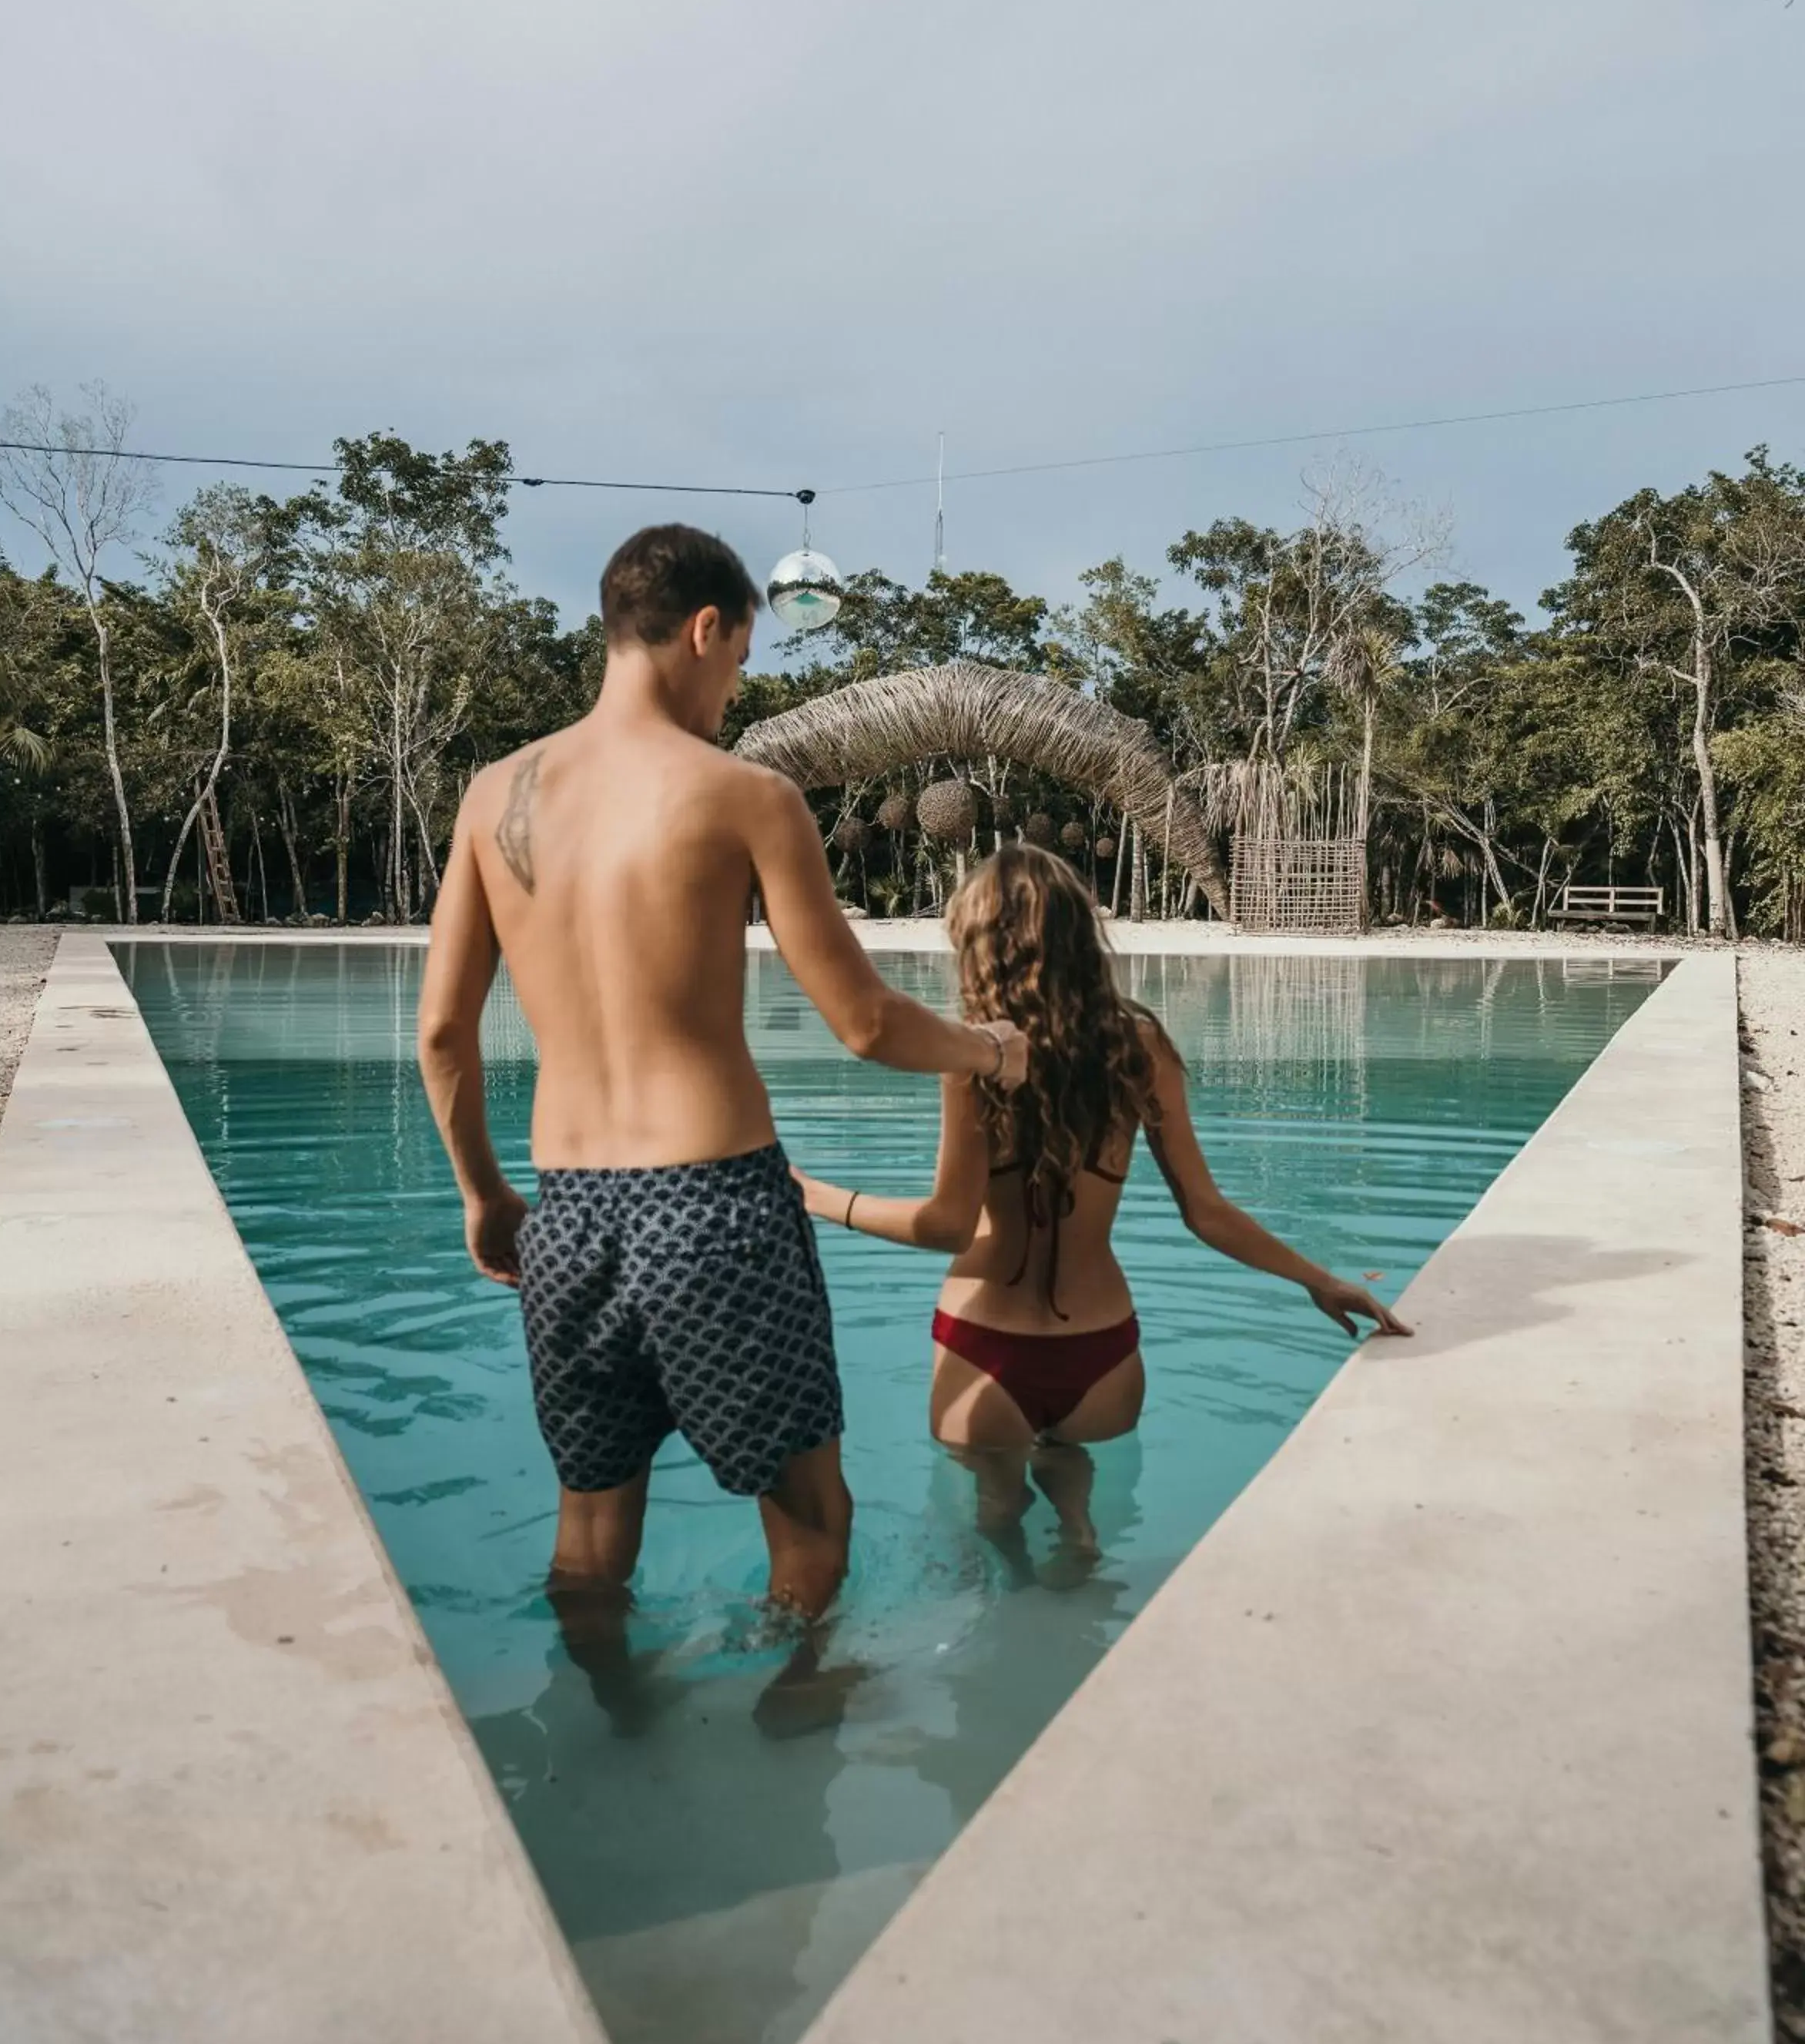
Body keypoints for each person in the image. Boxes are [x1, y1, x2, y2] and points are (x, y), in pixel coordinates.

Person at [415, 523, 1028, 1697]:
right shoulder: (745, 794)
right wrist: (988, 1051)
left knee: (591, 1527)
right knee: (811, 1515)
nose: (733, 689)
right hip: (715, 1207)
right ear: (705, 629)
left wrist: (485, 1194)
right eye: (739, 663)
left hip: (570, 1210)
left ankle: (615, 1719)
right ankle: (797, 1705)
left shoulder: (496, 798)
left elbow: (442, 1033)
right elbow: (864, 1023)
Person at [792, 844, 1410, 1565]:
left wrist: (816, 1195)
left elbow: (946, 1225)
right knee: (1080, 1533)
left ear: (979, 946)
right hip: (1103, 1352)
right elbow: (1206, 1211)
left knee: (990, 1539)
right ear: (1081, 935)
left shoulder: (969, 1058)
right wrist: (1320, 1279)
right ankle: (1079, 1545)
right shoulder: (1139, 1045)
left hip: (984, 1346)